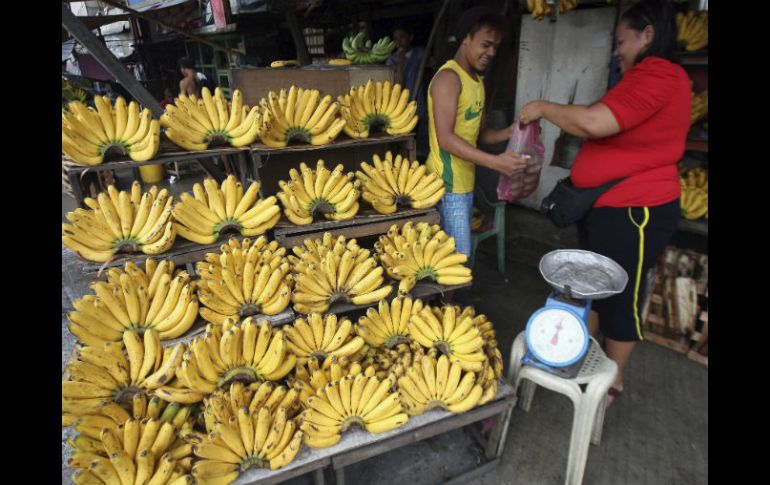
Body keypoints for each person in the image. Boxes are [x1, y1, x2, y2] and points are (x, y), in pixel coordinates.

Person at [518, 0, 688, 405]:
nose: (617, 50)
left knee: (620, 298)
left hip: (637, 209)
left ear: (648, 34)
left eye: (622, 41)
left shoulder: (660, 74)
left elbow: (595, 121)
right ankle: (580, 356)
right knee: (590, 289)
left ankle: (610, 384)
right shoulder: (642, 76)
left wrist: (542, 106)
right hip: (609, 206)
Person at [426, 7, 528, 258]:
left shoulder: (477, 81)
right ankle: (450, 299)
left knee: (456, 258)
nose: (491, 53)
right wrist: (496, 162)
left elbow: (480, 134)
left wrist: (509, 132)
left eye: (495, 47)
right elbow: (446, 139)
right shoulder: (449, 79)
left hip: (464, 182)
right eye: (486, 44)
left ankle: (451, 298)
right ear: (465, 38)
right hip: (447, 184)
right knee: (457, 260)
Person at [386, 26, 427, 120]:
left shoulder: (420, 53)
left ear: (411, 37)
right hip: (401, 108)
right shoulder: (391, 60)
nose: (399, 42)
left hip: (420, 105)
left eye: (402, 37)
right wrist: (400, 64)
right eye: (396, 39)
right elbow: (398, 86)